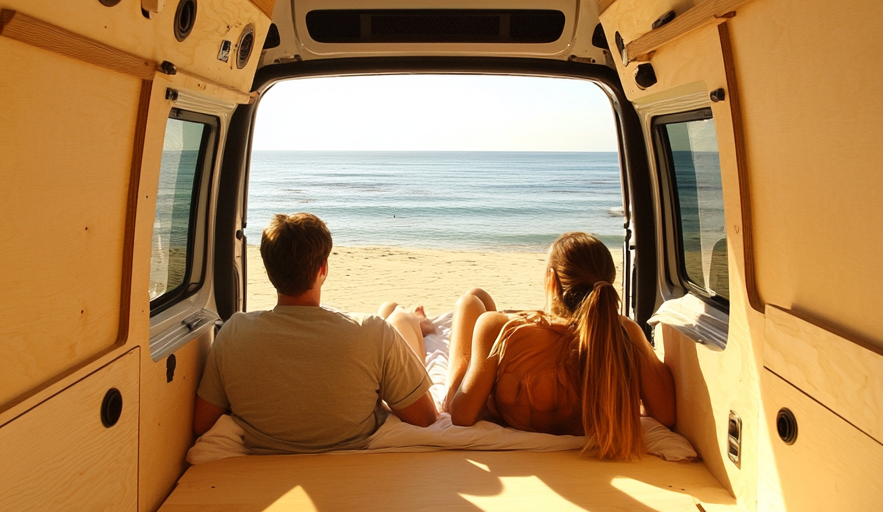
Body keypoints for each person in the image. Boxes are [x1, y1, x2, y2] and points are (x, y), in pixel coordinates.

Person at [193, 213, 437, 453]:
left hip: (267, 457)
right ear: (323, 268)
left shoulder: (234, 333)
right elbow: (425, 417)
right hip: (355, 448)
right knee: (398, 318)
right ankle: (415, 322)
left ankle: (412, 320)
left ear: (269, 271)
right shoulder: (372, 331)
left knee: (391, 316)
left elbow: (202, 423)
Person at [444, 232, 675, 459]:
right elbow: (665, 413)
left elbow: (461, 416)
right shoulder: (623, 333)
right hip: (581, 423)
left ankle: (430, 324)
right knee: (479, 300)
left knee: (471, 299)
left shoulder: (499, 328)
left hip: (502, 403)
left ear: (551, 279)